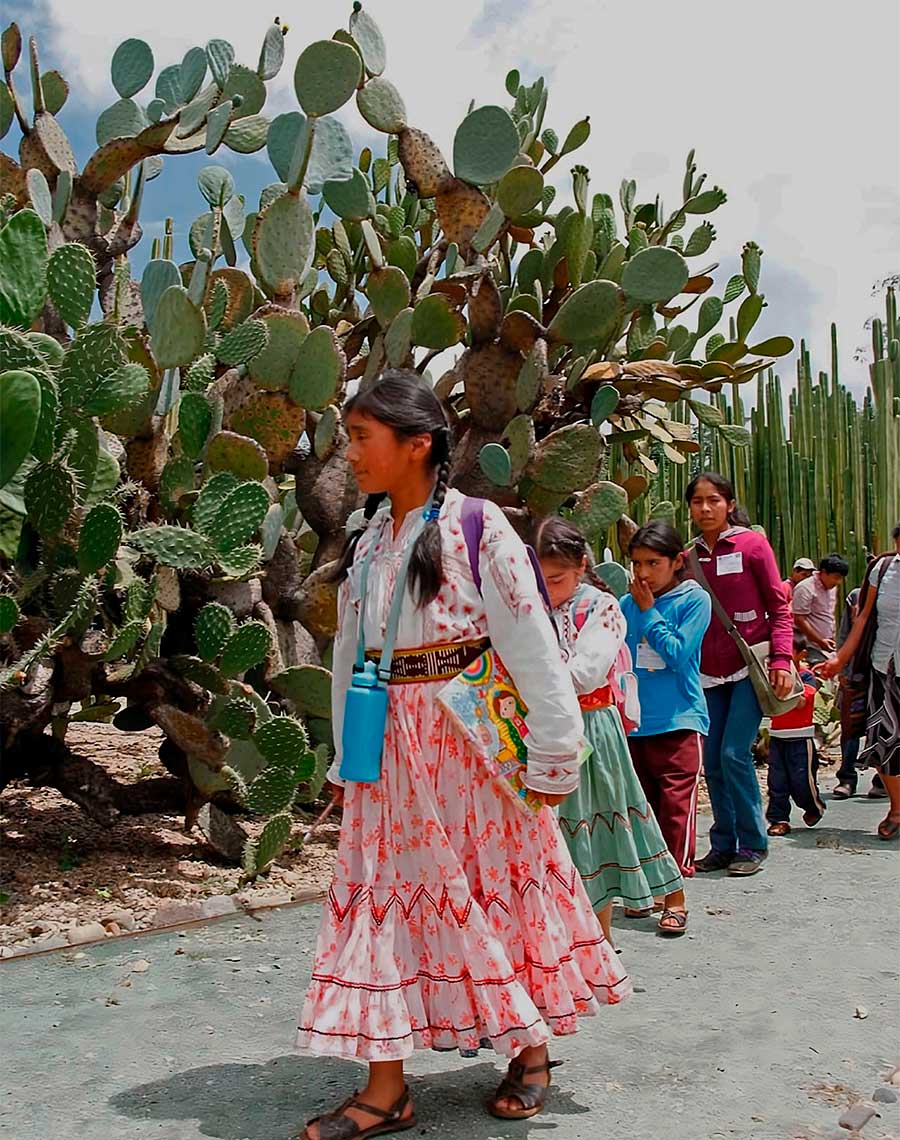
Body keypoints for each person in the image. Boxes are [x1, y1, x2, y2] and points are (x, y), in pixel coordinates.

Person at [295, 372, 629, 1138]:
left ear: (418, 445)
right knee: (381, 900)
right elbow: (351, 654)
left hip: (473, 747)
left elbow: (531, 645)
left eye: (361, 438)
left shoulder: (481, 527)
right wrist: (350, 756)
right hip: (390, 753)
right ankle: (387, 1089)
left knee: (499, 886)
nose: (351, 454)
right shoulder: (366, 538)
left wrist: (554, 753)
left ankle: (533, 1051)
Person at [533, 517, 686, 939]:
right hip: (542, 726)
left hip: (590, 728)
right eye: (541, 581)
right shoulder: (532, 607)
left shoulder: (602, 608)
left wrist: (530, 675)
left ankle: (600, 936)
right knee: (552, 823)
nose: (549, 590)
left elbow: (586, 672)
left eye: (558, 579)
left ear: (582, 566)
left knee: (594, 820)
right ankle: (559, 935)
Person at [685, 472, 794, 876]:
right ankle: (723, 844)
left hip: (749, 669)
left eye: (714, 500)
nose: (706, 508)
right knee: (711, 762)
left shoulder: (752, 545)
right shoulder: (688, 556)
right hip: (708, 674)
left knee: (734, 753)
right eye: (697, 501)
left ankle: (752, 844)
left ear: (729, 504)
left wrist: (782, 661)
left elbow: (779, 608)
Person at [619, 522, 712, 912]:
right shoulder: (625, 605)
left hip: (679, 720)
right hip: (634, 723)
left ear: (678, 561)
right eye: (637, 563)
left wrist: (648, 611)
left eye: (653, 563)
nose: (642, 573)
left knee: (675, 813)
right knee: (641, 812)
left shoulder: (695, 600)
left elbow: (676, 653)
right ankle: (643, 889)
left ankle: (674, 897)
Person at [818, 523, 900, 840]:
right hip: (884, 669)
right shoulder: (882, 569)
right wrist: (840, 659)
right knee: (884, 740)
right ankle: (896, 809)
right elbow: (863, 617)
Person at [765, 661, 826, 834]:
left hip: (800, 737)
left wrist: (782, 684)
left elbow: (801, 703)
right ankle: (779, 819)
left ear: (801, 655)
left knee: (802, 780)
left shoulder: (806, 676)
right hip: (777, 736)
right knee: (777, 782)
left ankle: (814, 807)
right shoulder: (771, 674)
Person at [792, 554, 850, 666]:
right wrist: (819, 641)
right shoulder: (805, 588)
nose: (838, 582)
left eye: (841, 579)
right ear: (823, 572)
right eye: (836, 577)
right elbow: (799, 620)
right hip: (809, 647)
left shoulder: (832, 588)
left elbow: (828, 615)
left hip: (826, 646)